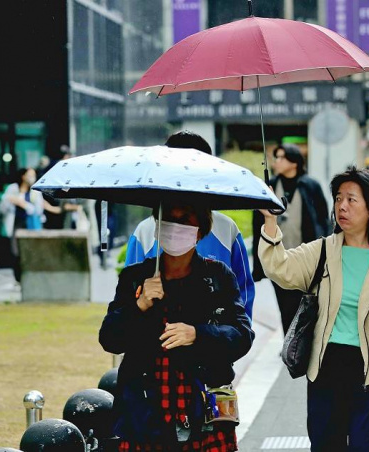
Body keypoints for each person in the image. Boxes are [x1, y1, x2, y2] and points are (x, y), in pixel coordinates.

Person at [257, 167, 369, 452]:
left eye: (351, 199)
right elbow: (279, 267)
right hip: (327, 367)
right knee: (325, 445)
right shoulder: (324, 250)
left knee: (366, 446)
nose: (342, 206)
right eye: (338, 198)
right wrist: (270, 221)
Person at [99, 201, 254, 450]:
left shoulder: (217, 276)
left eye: (185, 220)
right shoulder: (136, 277)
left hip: (204, 412)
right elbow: (109, 338)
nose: (175, 227)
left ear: (200, 231)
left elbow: (242, 336)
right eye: (169, 219)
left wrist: (198, 334)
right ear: (157, 226)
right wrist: (140, 305)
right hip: (146, 413)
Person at [126, 131, 256, 319]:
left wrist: (234, 333)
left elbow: (243, 294)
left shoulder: (226, 230)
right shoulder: (145, 232)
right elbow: (129, 296)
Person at [252, 143, 330, 334]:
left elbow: (323, 220)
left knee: (308, 306)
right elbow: (257, 224)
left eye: (282, 157)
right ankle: (290, 344)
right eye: (276, 157)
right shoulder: (269, 187)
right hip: (278, 258)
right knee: (285, 308)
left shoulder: (310, 186)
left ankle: (305, 343)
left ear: (294, 162)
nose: (277, 161)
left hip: (307, 260)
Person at [0, 168, 63, 283]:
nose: (31, 178)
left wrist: (24, 204)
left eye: (33, 175)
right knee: (16, 251)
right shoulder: (13, 188)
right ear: (23, 176)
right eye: (29, 175)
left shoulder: (35, 191)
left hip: (31, 225)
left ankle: (30, 278)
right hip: (16, 224)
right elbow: (3, 207)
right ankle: (18, 279)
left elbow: (38, 210)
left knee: (31, 251)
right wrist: (11, 201)